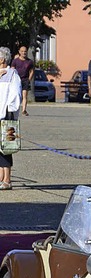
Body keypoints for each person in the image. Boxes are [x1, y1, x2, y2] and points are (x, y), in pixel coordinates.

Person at [0, 46, 22, 190]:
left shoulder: (12, 74)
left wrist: (10, 112)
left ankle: (7, 179)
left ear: (2, 59)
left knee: (6, 148)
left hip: (5, 115)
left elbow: (15, 94)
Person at [10, 46, 33, 117]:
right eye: (22, 51)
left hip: (25, 80)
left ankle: (24, 110)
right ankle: (13, 109)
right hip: (16, 80)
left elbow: (31, 71)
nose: (24, 53)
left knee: (24, 95)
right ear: (19, 52)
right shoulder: (15, 61)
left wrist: (29, 79)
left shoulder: (30, 61)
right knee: (15, 95)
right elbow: (12, 70)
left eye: (25, 51)